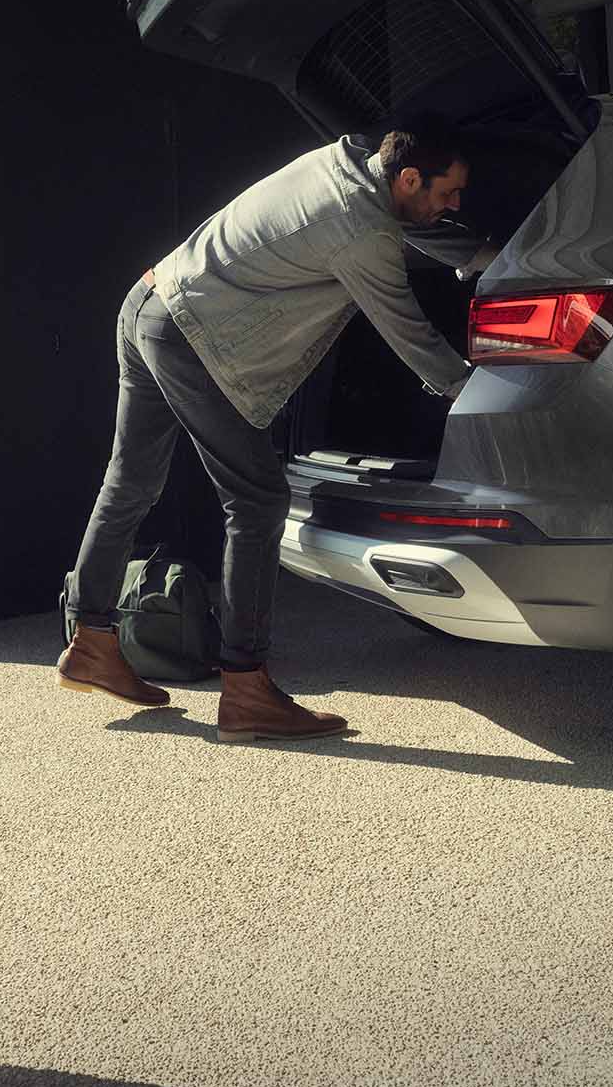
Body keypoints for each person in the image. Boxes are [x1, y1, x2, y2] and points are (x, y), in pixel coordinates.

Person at [59, 124, 478, 738]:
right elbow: (409, 331)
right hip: (189, 336)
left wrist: (473, 254)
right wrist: (475, 388)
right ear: (409, 178)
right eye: (450, 192)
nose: (455, 205)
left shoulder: (343, 164)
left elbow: (403, 227)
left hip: (148, 302)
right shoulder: (362, 229)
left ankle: (91, 640)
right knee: (257, 498)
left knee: (130, 484)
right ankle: (247, 687)